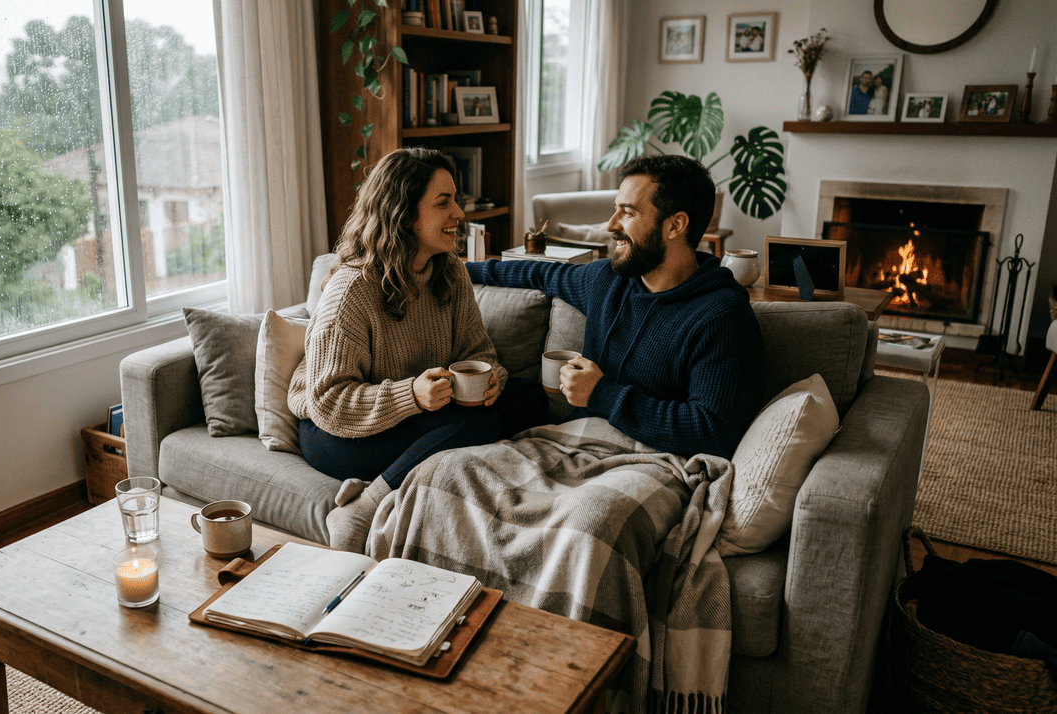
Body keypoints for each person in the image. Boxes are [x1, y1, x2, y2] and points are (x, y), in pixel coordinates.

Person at [288, 147, 547, 552]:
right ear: (403, 214)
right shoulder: (352, 290)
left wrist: (492, 380)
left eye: (455, 201)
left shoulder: (451, 272)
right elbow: (327, 401)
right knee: (476, 425)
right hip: (336, 432)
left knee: (529, 397)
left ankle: (422, 463)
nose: (459, 214)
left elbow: (480, 352)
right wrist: (410, 395)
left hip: (416, 417)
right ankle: (363, 507)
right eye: (443, 203)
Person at [466, 154, 766, 460]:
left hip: (650, 463)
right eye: (615, 210)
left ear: (675, 225)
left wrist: (601, 393)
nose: (611, 225)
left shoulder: (722, 316)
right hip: (573, 447)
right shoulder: (607, 281)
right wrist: (457, 271)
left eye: (628, 213)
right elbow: (540, 273)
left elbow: (712, 431)